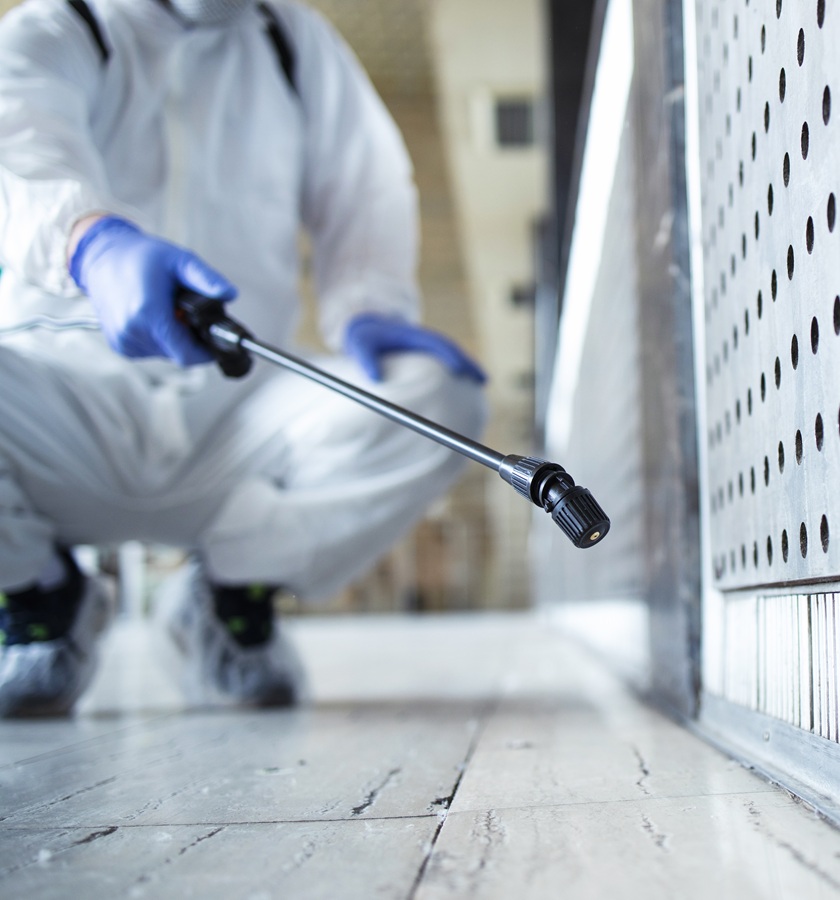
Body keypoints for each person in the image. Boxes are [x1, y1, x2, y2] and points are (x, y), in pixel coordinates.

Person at [0, 0, 486, 716]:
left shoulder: (293, 45)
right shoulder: (61, 25)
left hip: (241, 406)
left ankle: (231, 595)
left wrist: (369, 304)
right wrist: (90, 242)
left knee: (437, 397)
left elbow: (365, 180)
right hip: (63, 406)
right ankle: (39, 594)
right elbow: (19, 138)